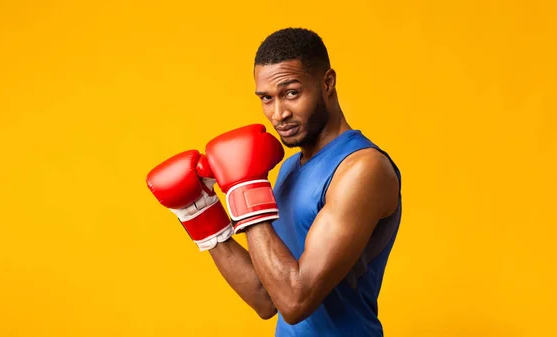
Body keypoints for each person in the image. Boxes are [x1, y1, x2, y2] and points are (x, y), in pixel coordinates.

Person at [146, 27, 402, 337]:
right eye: (266, 99)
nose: (278, 114)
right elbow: (267, 298)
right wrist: (200, 213)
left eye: (291, 93)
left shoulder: (362, 169)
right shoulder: (290, 169)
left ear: (327, 83)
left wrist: (245, 189)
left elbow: (295, 300)